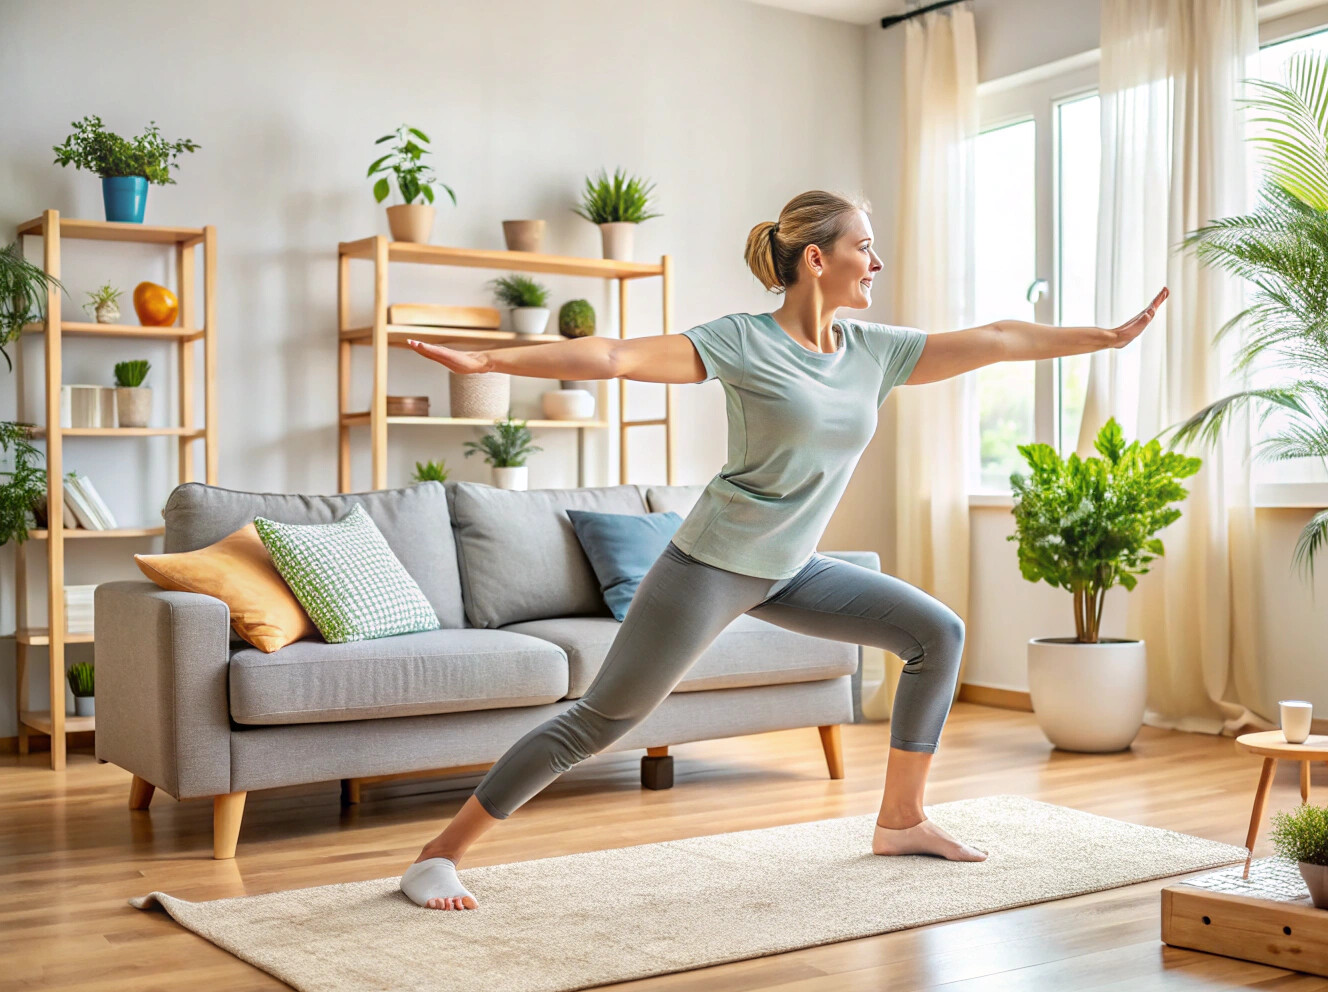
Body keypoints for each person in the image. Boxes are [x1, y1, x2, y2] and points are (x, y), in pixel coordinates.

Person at [398, 189, 1168, 910]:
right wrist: (494, 361)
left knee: (938, 632)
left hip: (791, 568)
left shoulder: (874, 351)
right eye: (865, 248)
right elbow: (613, 358)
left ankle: (902, 819)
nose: (877, 263)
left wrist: (1107, 337)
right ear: (816, 259)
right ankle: (440, 852)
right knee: (601, 720)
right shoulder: (743, 341)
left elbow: (999, 338)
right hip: (710, 565)